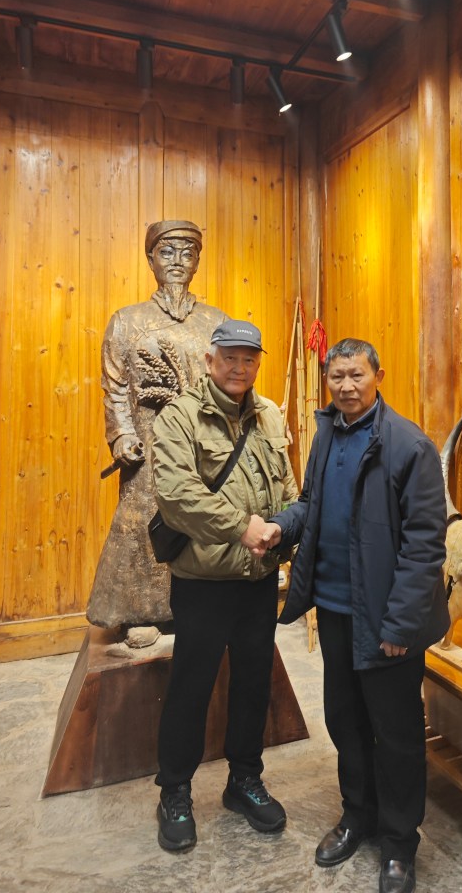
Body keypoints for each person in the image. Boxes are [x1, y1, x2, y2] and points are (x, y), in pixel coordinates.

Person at [260, 338, 449, 893]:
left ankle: (399, 844)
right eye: (336, 376)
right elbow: (311, 505)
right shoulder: (326, 435)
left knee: (397, 735)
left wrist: (401, 626)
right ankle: (357, 815)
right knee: (346, 722)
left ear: (378, 376)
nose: (345, 386)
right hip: (337, 611)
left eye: (356, 375)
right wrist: (280, 526)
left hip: (388, 622)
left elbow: (424, 545)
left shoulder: (409, 445)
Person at [150, 319, 298, 852]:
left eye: (249, 359)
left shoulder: (270, 414)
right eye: (230, 357)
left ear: (258, 363)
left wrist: (283, 527)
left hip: (258, 580)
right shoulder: (179, 418)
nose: (240, 367)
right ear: (210, 361)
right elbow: (176, 495)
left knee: (254, 683)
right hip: (204, 582)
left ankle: (244, 780)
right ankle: (174, 792)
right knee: (191, 687)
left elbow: (287, 485)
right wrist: (242, 527)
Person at [87, 220, 228, 646]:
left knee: (203, 520)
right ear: (150, 259)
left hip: (205, 442)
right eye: (167, 252)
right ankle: (139, 611)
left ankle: (198, 607)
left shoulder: (216, 321)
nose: (177, 261)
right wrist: (122, 436)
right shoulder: (128, 321)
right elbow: (114, 386)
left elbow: (229, 381)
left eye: (187, 252)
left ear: (198, 261)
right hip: (149, 445)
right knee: (144, 520)